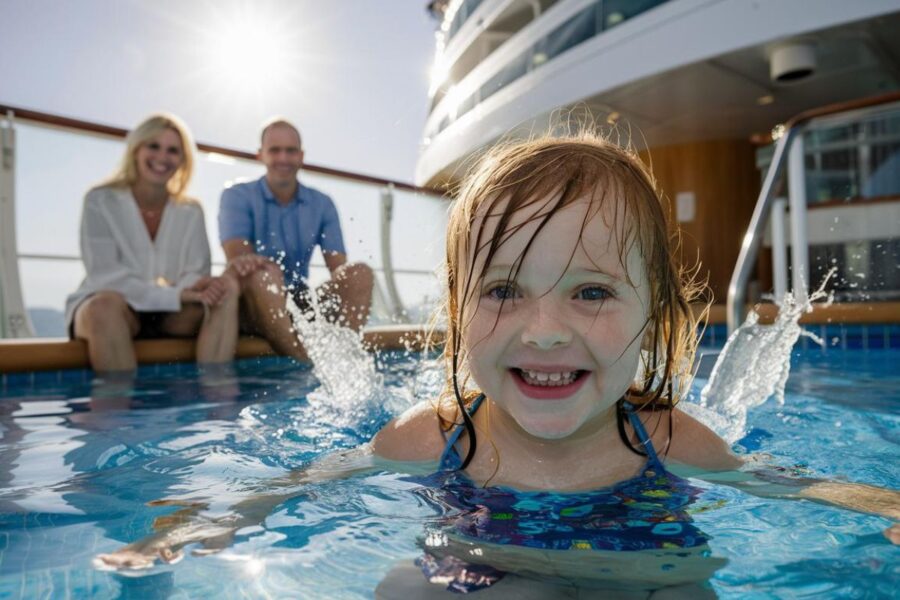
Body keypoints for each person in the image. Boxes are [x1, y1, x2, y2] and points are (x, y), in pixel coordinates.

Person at [96, 134, 899, 592]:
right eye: (505, 290)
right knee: (403, 589)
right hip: (484, 571)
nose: (544, 331)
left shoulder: (668, 438)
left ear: (655, 313)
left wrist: (882, 504)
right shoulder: (438, 434)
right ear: (455, 313)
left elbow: (787, 485)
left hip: (647, 579)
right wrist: (212, 519)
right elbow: (305, 482)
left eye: (589, 293)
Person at [66, 113, 239, 372]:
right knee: (104, 307)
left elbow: (194, 272)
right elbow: (106, 277)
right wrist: (176, 294)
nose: (162, 157)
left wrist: (200, 287)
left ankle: (215, 396)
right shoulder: (99, 200)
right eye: (153, 146)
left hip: (170, 314)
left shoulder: (191, 211)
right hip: (113, 311)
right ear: (136, 149)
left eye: (173, 151)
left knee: (227, 287)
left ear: (182, 160)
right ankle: (119, 406)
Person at [217, 118, 374, 360]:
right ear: (260, 155)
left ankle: (345, 361)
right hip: (252, 306)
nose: (283, 158)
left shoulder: (322, 203)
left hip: (300, 301)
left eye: (290, 151)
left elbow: (339, 270)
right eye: (275, 150)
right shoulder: (236, 195)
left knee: (360, 273)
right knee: (263, 275)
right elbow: (242, 262)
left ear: (301, 156)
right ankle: (308, 364)